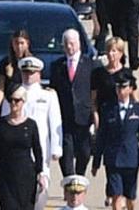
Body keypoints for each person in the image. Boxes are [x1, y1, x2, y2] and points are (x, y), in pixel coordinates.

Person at [0, 57, 62, 210]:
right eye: (25, 72)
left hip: (40, 151)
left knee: (40, 193)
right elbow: (4, 123)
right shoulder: (13, 94)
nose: (28, 76)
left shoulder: (48, 95)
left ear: (39, 74)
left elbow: (55, 122)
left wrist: (56, 149)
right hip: (16, 153)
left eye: (32, 73)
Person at [91, 70, 139, 210]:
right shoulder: (107, 109)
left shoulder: (138, 109)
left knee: (130, 197)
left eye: (123, 87)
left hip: (131, 159)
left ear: (130, 89)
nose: (120, 90)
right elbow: (101, 137)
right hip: (113, 159)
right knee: (116, 195)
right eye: (118, 87)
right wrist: (96, 162)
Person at [0, 85, 45, 210]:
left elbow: (37, 150)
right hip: (5, 175)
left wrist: (40, 172)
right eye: (10, 100)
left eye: (17, 100)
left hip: (26, 174)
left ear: (23, 102)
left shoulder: (31, 125)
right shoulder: (0, 125)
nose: (13, 103)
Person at [49, 29, 94, 177]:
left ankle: (79, 177)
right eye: (66, 44)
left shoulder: (90, 64)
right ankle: (69, 181)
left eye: (72, 44)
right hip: (65, 116)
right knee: (66, 151)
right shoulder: (57, 66)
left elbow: (94, 90)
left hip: (84, 115)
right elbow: (53, 91)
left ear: (79, 44)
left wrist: (94, 112)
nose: (69, 47)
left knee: (84, 151)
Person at [0, 29, 34, 119]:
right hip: (10, 102)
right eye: (16, 43)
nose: (19, 46)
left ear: (27, 44)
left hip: (27, 102)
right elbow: (0, 88)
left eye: (22, 43)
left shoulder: (32, 62)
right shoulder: (5, 63)